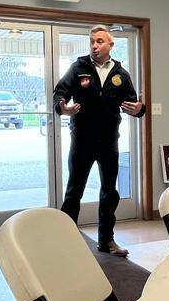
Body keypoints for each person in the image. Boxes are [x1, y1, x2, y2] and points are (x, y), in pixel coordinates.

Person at [54, 25, 146, 257]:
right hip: (82, 140)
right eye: (92, 42)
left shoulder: (120, 74)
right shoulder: (79, 67)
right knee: (74, 191)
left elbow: (134, 104)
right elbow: (60, 92)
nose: (94, 46)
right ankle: (66, 241)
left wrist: (139, 109)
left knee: (109, 191)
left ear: (110, 45)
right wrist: (63, 109)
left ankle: (106, 241)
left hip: (108, 141)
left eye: (99, 41)